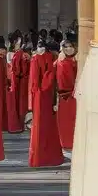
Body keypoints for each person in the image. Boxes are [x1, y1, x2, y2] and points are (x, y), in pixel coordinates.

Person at [28, 36, 65, 167]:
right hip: (47, 95)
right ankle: (51, 156)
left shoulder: (35, 59)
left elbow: (33, 81)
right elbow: (49, 80)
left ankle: (38, 157)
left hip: (38, 95)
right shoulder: (51, 59)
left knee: (38, 127)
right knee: (49, 126)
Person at [56, 34, 78, 152]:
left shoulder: (77, 60)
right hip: (63, 96)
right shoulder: (59, 61)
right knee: (64, 123)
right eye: (66, 46)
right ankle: (64, 142)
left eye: (71, 46)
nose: (69, 49)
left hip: (75, 95)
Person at [6, 31, 30, 134]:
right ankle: (18, 123)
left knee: (20, 102)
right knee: (17, 102)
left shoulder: (22, 54)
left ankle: (20, 123)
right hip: (15, 80)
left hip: (19, 80)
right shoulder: (13, 54)